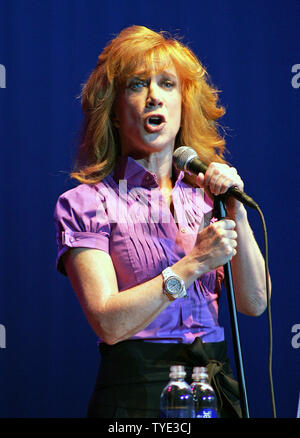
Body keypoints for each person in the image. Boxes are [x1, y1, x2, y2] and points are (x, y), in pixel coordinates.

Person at [54, 25, 270, 418]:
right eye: (137, 85)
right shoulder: (87, 202)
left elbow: (255, 302)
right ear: (115, 113)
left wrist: (234, 207)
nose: (154, 95)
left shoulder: (207, 196)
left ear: (182, 104)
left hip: (212, 390)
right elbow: (108, 323)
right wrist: (194, 264)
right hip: (136, 396)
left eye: (167, 84)